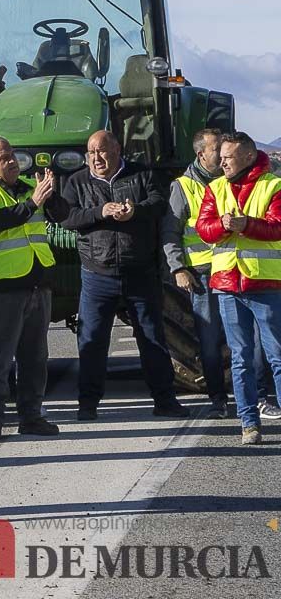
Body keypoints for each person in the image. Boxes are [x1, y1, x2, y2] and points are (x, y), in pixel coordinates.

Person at [61, 131, 187, 420]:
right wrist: (100, 211)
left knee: (152, 338)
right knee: (92, 340)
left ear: (117, 149)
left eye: (102, 151)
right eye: (91, 152)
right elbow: (66, 217)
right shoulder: (77, 181)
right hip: (97, 275)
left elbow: (159, 203)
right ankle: (88, 405)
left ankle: (165, 401)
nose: (96, 158)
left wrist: (135, 211)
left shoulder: (142, 175)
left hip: (140, 273)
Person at [0, 135, 68, 440]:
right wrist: (33, 202)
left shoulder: (26, 187)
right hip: (3, 290)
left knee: (35, 358)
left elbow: (62, 216)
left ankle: (31, 417)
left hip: (37, 286)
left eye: (13, 156)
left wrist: (50, 195)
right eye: (4, 158)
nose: (13, 161)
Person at [195, 132, 281, 445]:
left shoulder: (273, 185)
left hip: (265, 284)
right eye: (220, 156)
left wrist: (247, 226)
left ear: (247, 156)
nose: (222, 162)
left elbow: (278, 226)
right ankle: (249, 424)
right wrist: (223, 225)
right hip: (228, 286)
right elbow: (204, 229)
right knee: (241, 359)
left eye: (228, 157)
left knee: (277, 356)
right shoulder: (215, 188)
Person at [163, 129, 230, 417]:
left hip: (235, 270)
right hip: (202, 275)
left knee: (247, 337)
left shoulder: (232, 180)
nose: (223, 154)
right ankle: (218, 397)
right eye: (218, 150)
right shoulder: (183, 187)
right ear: (201, 154)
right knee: (210, 341)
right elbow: (171, 232)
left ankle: (259, 395)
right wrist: (178, 267)